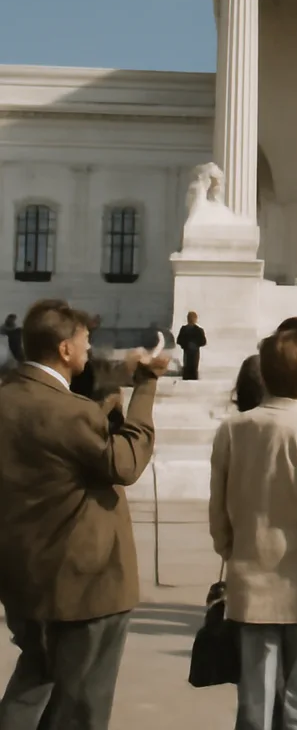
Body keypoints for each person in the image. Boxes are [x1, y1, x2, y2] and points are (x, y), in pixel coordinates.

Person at [0, 298, 168, 730]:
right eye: (86, 342)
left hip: (23, 579)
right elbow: (126, 462)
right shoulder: (70, 414)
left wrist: (110, 390)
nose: (90, 350)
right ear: (65, 350)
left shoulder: (9, 399)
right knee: (81, 707)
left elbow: (68, 422)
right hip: (86, 585)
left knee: (34, 681)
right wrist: (144, 388)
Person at [209, 319, 297, 730]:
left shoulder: (233, 430)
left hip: (249, 580)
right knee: (296, 697)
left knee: (254, 698)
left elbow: (218, 510)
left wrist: (233, 552)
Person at [176, 311, 207, 381]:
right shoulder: (198, 330)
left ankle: (189, 376)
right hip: (193, 351)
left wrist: (186, 345)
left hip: (188, 351)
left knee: (189, 366)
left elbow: (179, 340)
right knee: (192, 366)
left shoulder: (185, 329)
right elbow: (203, 342)